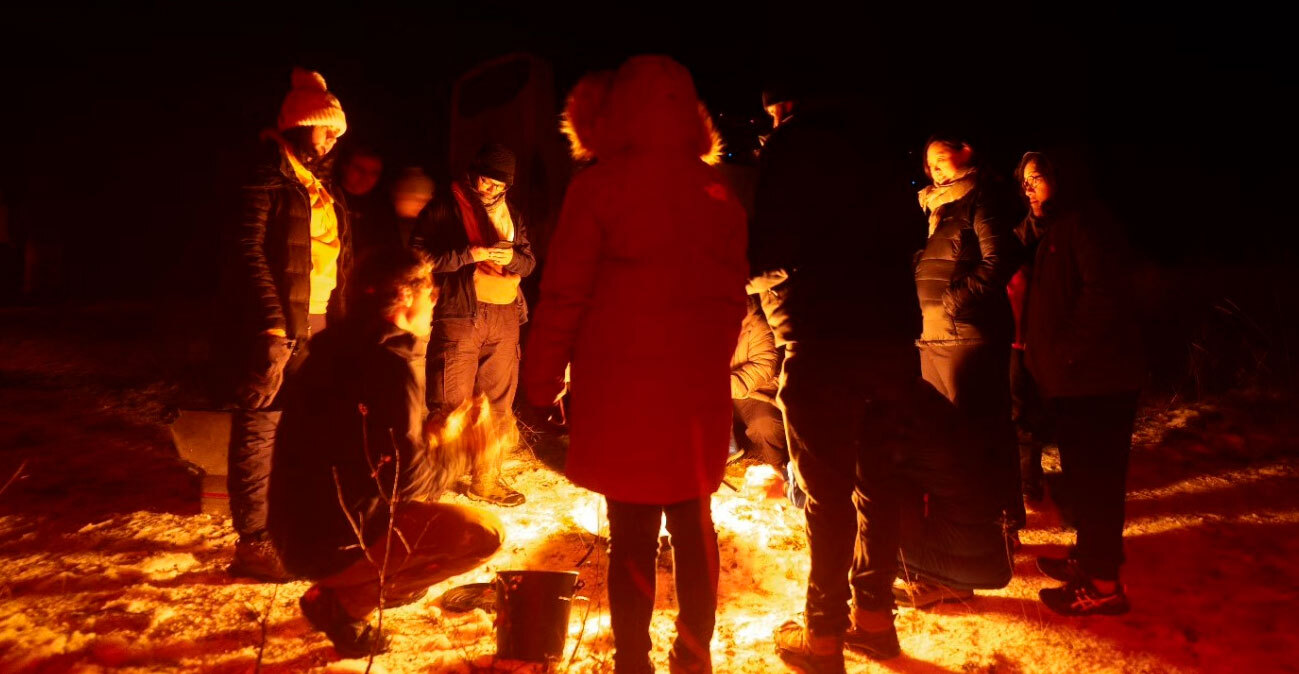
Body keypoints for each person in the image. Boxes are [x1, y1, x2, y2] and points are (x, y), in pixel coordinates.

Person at [523, 55, 747, 674]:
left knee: (632, 535)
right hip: (693, 392)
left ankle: (632, 663)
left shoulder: (597, 188)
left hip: (621, 392)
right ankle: (693, 658)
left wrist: (540, 385)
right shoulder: (716, 192)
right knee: (695, 521)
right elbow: (733, 298)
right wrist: (704, 362)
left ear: (616, 111)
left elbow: (564, 295)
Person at [750, 83, 922, 669]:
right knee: (878, 485)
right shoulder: (880, 145)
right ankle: (874, 618)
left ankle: (822, 636)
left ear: (784, 103)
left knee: (826, 496)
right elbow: (912, 234)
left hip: (821, 341)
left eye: (771, 110)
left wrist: (756, 279)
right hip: (893, 340)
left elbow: (765, 248)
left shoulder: (788, 148)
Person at [269, 246, 503, 656]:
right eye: (430, 292)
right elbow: (403, 482)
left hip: (294, 534)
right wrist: (464, 449)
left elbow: (363, 449)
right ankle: (343, 602)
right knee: (484, 534)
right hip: (336, 540)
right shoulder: (389, 365)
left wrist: (434, 436)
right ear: (406, 297)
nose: (435, 303)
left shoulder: (332, 350)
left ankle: (345, 589)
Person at [225, 68, 352, 581]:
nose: (329, 140)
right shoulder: (266, 178)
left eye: (333, 132)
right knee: (260, 426)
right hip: (280, 327)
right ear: (300, 127)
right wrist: (273, 324)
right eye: (323, 129)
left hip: (316, 321)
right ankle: (253, 543)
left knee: (302, 427)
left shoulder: (312, 185)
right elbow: (245, 252)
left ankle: (289, 528)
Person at [1017, 151, 1144, 616]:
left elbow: (1104, 294)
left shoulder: (1087, 224)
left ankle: (1103, 585)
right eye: (1024, 181)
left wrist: (1066, 351)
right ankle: (1089, 558)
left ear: (1063, 177)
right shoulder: (1060, 226)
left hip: (1098, 378)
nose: (1028, 187)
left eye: (1037, 178)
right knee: (1085, 480)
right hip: (1080, 379)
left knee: (1098, 481)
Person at [901, 135, 1024, 606]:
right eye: (927, 160)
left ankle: (996, 539)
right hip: (934, 340)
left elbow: (1000, 259)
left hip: (965, 340)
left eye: (942, 157)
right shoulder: (940, 210)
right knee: (949, 449)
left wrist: (952, 302)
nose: (933, 167)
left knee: (976, 442)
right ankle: (959, 554)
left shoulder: (981, 200)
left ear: (969, 152)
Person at [412, 143, 536, 506]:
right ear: (472, 174)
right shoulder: (444, 209)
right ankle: (434, 481)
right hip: (459, 313)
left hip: (505, 313)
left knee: (498, 402)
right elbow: (418, 257)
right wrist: (469, 254)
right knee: (451, 400)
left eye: (498, 185)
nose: (489, 189)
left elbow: (529, 262)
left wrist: (512, 257)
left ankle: (486, 480)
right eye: (485, 180)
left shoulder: (512, 214)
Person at [730, 295, 786, 469]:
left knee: (766, 424)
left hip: (758, 394)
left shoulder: (758, 325)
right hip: (723, 395)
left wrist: (719, 385)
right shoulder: (706, 324)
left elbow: (764, 366)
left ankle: (774, 475)